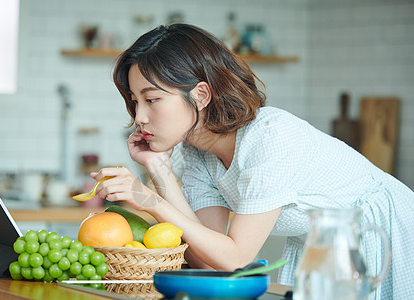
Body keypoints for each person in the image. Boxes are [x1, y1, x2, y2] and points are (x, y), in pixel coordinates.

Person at [91, 24, 413, 299]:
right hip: (326, 249)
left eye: (152, 99)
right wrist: (159, 168)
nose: (140, 117)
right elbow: (209, 263)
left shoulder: (270, 137)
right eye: (135, 101)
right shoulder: (197, 151)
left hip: (385, 233)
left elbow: (236, 259)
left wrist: (149, 200)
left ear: (201, 95)